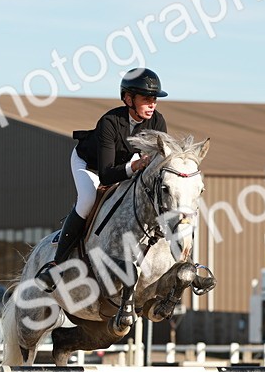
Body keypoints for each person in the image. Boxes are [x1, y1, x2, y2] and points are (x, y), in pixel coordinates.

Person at [36, 67, 169, 291]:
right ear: (128, 98)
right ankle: (56, 263)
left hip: (126, 167)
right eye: (146, 99)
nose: (152, 104)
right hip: (90, 165)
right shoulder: (110, 121)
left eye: (154, 99)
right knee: (88, 198)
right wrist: (134, 166)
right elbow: (106, 174)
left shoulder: (157, 122)